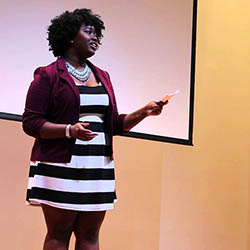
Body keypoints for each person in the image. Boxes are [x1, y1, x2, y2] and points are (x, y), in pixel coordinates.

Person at [22, 8, 167, 250]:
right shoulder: (48, 75)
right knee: (58, 235)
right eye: (89, 31)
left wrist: (144, 112)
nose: (95, 37)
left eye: (97, 33)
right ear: (70, 37)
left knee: (90, 236)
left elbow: (113, 125)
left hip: (98, 166)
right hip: (61, 166)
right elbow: (31, 122)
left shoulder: (103, 76)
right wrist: (69, 130)